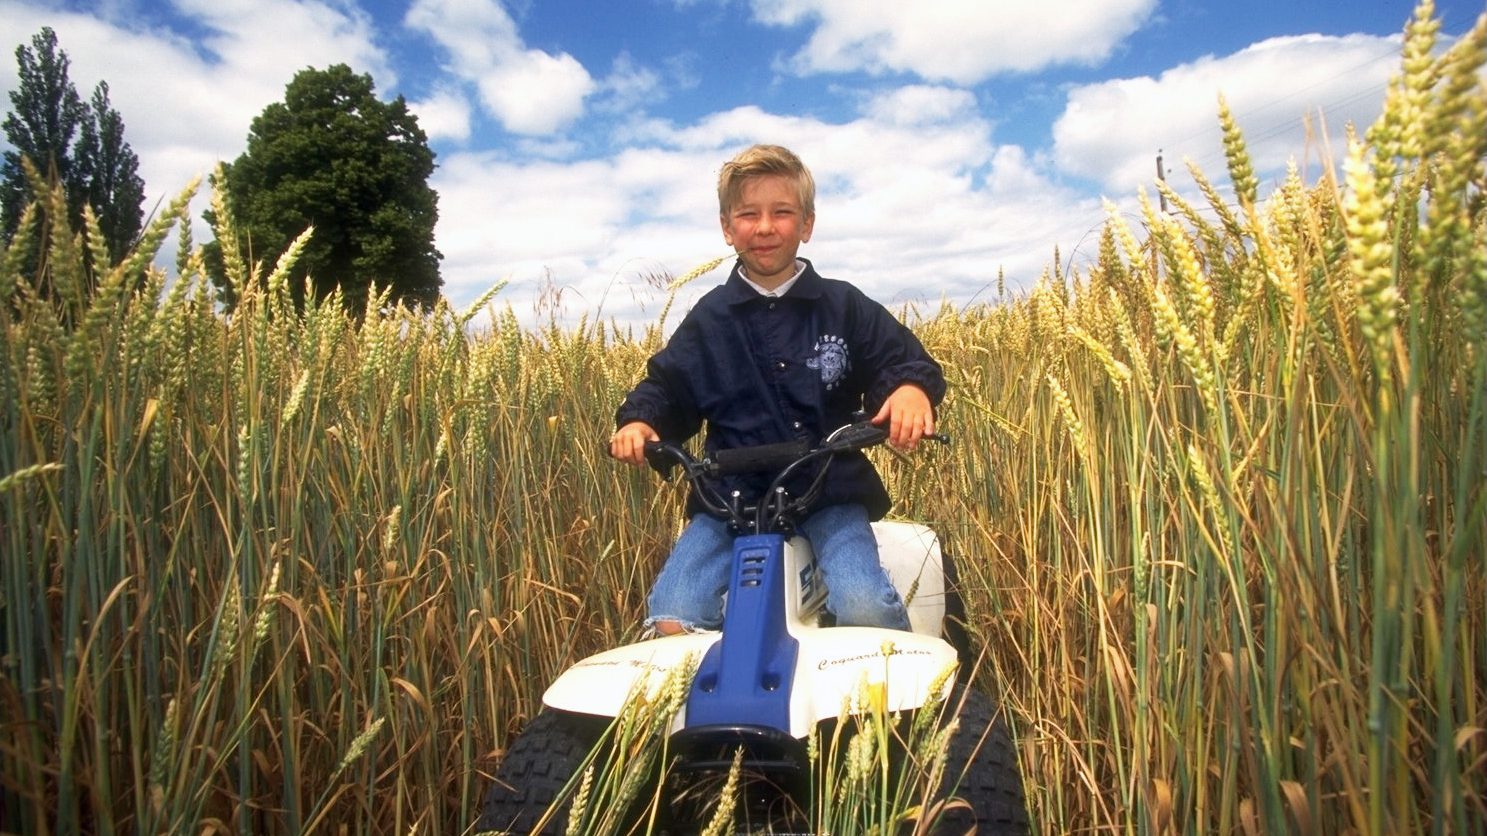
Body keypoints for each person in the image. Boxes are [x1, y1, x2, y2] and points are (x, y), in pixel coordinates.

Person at [610, 144, 945, 636]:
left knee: (865, 606)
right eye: (748, 214)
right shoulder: (711, 317)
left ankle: (884, 703)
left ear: (806, 224)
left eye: (782, 213)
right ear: (728, 228)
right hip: (729, 497)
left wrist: (911, 390)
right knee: (672, 617)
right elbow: (668, 387)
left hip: (828, 484)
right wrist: (641, 421)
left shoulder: (842, 305)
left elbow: (901, 360)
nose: (765, 227)